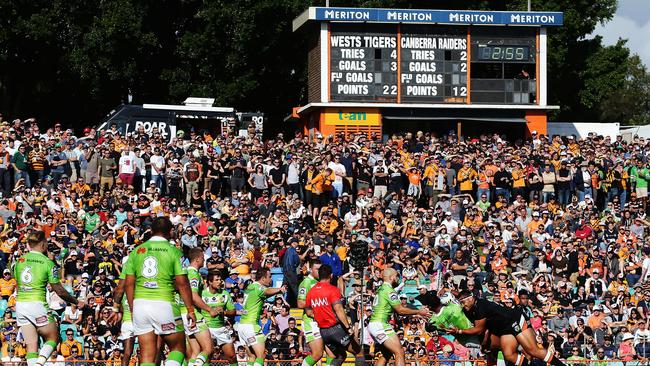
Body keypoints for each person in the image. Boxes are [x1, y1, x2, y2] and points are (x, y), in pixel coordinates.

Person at [124, 217, 196, 366]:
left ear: (151, 231)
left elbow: (129, 284)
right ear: (170, 231)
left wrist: (132, 309)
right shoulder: (174, 251)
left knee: (146, 356)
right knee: (178, 348)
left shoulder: (137, 251)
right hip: (163, 303)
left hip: (140, 305)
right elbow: (182, 284)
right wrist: (190, 309)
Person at [16, 230, 84, 366]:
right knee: (53, 337)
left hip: (21, 305)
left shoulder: (19, 261)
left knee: (32, 344)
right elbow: (59, 290)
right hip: (37, 304)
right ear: (42, 244)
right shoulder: (47, 263)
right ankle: (39, 364)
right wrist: (76, 301)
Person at [449, 290, 567, 366]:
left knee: (533, 350)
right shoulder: (471, 305)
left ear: (470, 298)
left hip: (514, 320)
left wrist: (459, 331)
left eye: (463, 302)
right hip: (505, 329)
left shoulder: (479, 306)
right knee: (509, 354)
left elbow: (479, 330)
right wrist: (448, 291)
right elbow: (459, 295)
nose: (462, 305)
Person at [367, 268, 430, 366]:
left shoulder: (381, 288)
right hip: (380, 324)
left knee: (386, 354)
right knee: (400, 352)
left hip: (374, 324)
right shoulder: (389, 291)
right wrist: (419, 311)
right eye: (396, 276)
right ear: (391, 277)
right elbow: (400, 310)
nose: (397, 279)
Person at [304, 264, 364, 366]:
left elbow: (309, 311)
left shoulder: (311, 291)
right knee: (359, 353)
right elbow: (339, 310)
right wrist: (348, 328)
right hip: (336, 329)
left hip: (324, 332)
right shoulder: (332, 289)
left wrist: (321, 315)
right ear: (331, 275)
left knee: (341, 356)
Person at [236, 267, 286, 366]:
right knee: (261, 355)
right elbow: (266, 291)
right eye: (269, 277)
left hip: (242, 326)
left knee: (252, 356)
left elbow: (263, 295)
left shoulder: (250, 287)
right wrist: (280, 290)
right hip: (251, 326)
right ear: (263, 278)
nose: (271, 279)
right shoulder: (258, 287)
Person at [178, 248, 217, 366]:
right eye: (203, 258)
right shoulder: (193, 273)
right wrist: (210, 309)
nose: (204, 260)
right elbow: (193, 296)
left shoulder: (186, 272)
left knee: (196, 351)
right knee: (208, 350)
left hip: (183, 314)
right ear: (197, 259)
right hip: (193, 313)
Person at [297, 259, 332, 366]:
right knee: (317, 354)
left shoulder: (320, 282)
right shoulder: (306, 283)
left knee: (332, 354)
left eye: (320, 269)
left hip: (322, 322)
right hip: (311, 322)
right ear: (310, 269)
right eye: (317, 269)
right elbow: (300, 303)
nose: (319, 271)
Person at [202, 272, 237, 366]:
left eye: (220, 280)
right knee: (207, 357)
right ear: (209, 282)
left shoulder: (225, 294)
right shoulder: (202, 294)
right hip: (207, 328)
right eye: (216, 280)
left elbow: (233, 311)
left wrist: (224, 312)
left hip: (221, 328)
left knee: (232, 356)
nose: (220, 282)